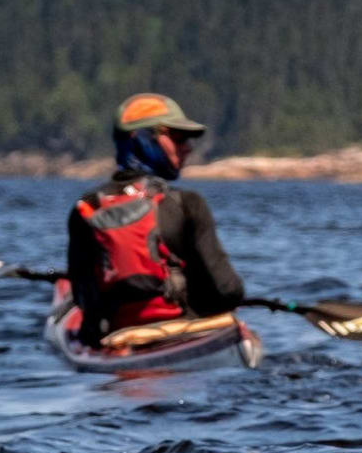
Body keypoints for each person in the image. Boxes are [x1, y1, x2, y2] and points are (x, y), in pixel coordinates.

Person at [65, 92, 247, 343]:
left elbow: (84, 298)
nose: (188, 148)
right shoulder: (187, 204)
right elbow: (227, 291)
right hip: (181, 333)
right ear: (140, 140)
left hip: (114, 338)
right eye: (178, 137)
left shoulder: (85, 208)